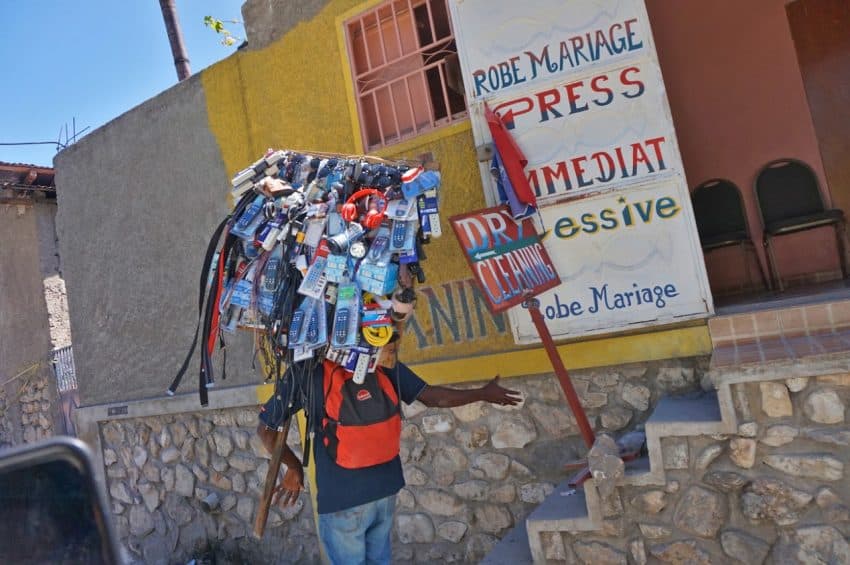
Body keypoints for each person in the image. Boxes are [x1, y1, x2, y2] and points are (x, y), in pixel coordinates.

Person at [256, 340, 521, 564]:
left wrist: (293, 467)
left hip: (341, 496)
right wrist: (482, 393)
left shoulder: (305, 368)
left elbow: (266, 430)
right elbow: (431, 396)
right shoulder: (377, 357)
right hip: (384, 489)